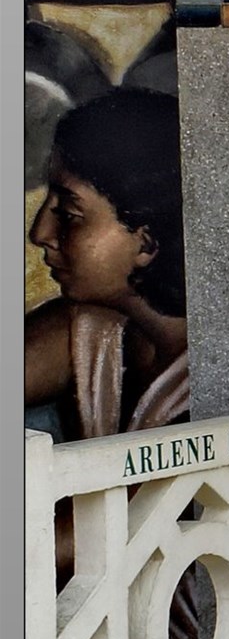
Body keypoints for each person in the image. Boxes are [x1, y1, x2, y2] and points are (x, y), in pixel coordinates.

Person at [26, 86, 190, 440]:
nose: (40, 232)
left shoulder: (211, 377)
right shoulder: (88, 327)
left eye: (69, 214)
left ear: (146, 243)